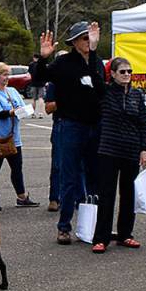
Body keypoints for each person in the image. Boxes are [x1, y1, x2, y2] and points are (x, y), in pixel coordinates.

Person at [33, 21, 105, 244]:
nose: (88, 41)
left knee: (94, 178)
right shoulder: (64, 62)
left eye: (91, 37)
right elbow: (38, 78)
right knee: (70, 178)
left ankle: (91, 225)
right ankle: (64, 226)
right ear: (74, 42)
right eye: (84, 38)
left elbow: (100, 87)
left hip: (94, 126)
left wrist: (93, 54)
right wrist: (44, 58)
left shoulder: (96, 62)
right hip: (71, 125)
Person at [91, 58, 146, 254]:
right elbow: (95, 76)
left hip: (131, 150)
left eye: (129, 71)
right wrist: (92, 48)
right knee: (107, 195)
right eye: (122, 71)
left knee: (128, 195)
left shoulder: (137, 95)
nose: (127, 75)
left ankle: (126, 234)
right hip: (109, 150)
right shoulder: (106, 93)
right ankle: (101, 238)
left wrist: (144, 149)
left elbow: (143, 123)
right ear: (113, 74)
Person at [0, 62, 37, 210]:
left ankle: (22, 197)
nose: (7, 77)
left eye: (8, 74)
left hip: (13, 137)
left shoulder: (12, 91)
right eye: (4, 74)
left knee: (17, 167)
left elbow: (20, 107)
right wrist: (14, 111)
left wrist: (27, 110)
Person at [44, 80, 61, 211]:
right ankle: (54, 198)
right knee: (57, 164)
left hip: (81, 124)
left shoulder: (83, 78)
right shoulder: (54, 84)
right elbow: (48, 108)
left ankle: (80, 198)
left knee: (82, 166)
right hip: (61, 124)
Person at [28, 53, 46, 117]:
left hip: (33, 83)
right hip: (41, 83)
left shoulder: (31, 65)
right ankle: (40, 113)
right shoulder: (42, 64)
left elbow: (29, 73)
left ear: (34, 58)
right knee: (41, 98)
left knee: (33, 99)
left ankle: (33, 113)